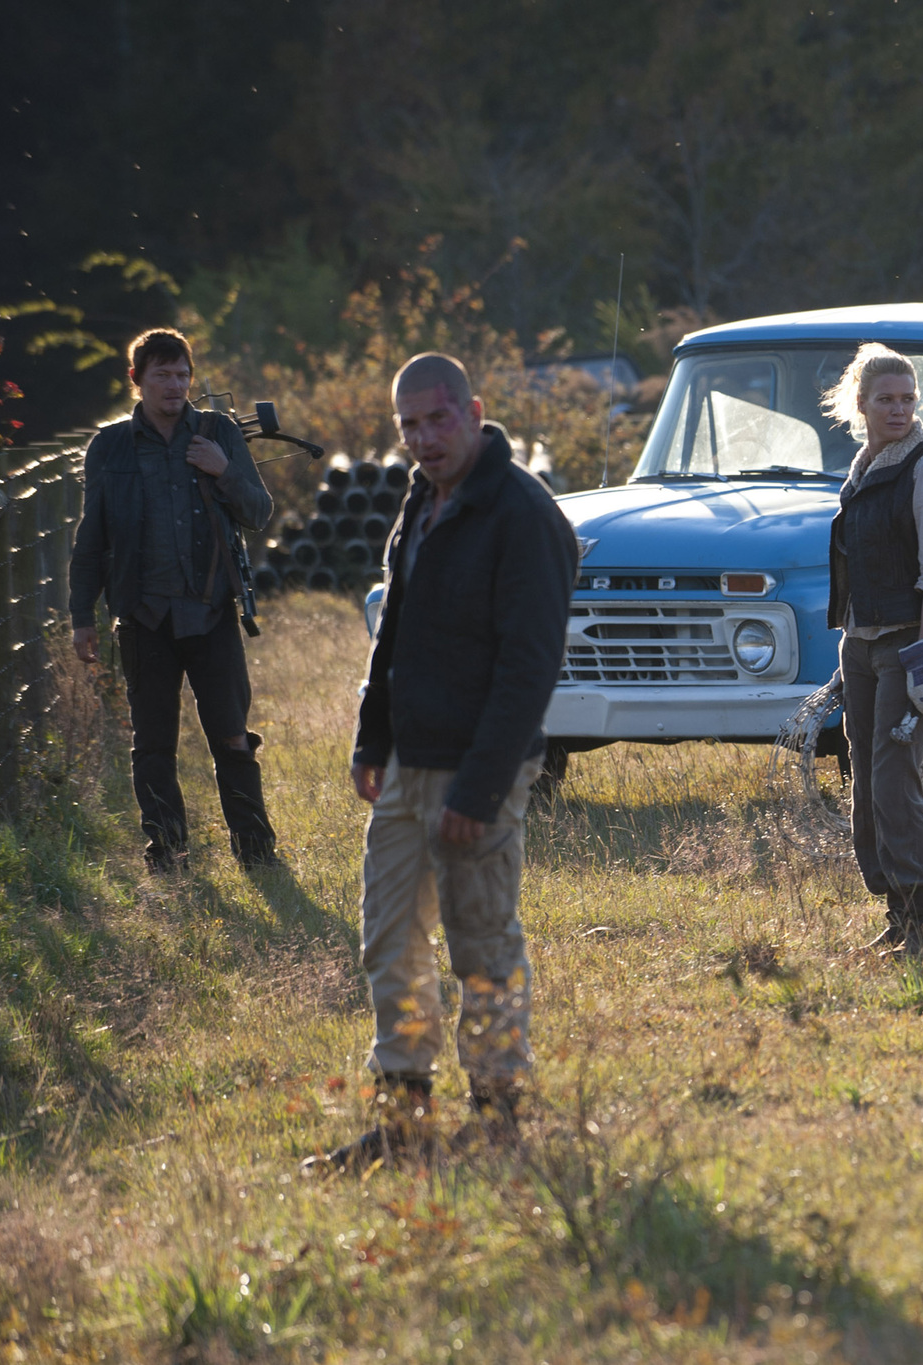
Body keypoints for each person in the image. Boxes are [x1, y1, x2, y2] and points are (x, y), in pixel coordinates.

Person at [306, 352, 577, 1175]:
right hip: (408, 765)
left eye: (437, 419)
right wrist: (369, 736)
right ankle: (403, 1121)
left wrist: (480, 787)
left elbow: (528, 669)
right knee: (389, 939)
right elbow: (394, 630)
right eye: (408, 426)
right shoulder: (422, 499)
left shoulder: (523, 515)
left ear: (474, 410)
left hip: (479, 773)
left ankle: (499, 1118)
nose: (423, 439)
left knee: (481, 946)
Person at [69, 328, 278, 872]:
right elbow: (92, 537)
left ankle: (256, 853)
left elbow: (259, 512)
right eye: (161, 374)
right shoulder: (110, 445)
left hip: (210, 612)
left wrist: (223, 469)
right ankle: (168, 853)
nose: (174, 385)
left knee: (232, 733)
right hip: (142, 616)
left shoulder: (217, 433)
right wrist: (80, 617)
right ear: (137, 380)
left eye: (183, 374)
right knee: (154, 740)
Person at [824, 344, 923, 958]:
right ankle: (897, 914)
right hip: (862, 645)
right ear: (862, 405)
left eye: (907, 398)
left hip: (908, 645)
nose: (899, 409)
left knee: (896, 784)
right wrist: (848, 645)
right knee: (866, 786)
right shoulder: (862, 469)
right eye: (886, 399)